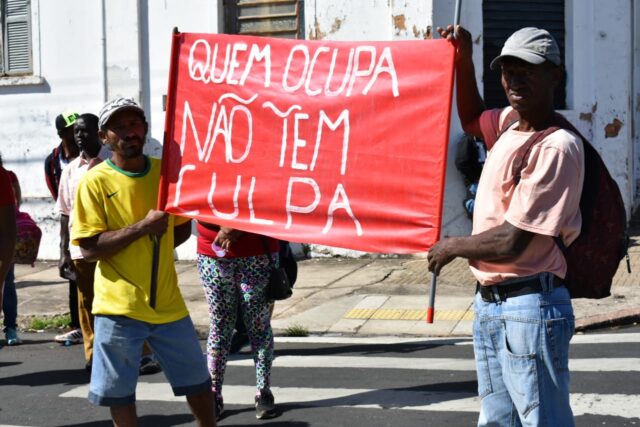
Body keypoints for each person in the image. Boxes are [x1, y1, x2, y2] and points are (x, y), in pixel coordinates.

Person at [429, 26, 582, 426]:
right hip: (491, 304)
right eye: (507, 71)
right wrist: (464, 60)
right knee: (498, 421)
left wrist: (452, 246)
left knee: (542, 420)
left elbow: (514, 239)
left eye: (527, 70)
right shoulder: (512, 124)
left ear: (555, 75)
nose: (514, 80)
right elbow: (470, 118)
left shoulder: (556, 147)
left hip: (530, 306)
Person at [72, 97, 216, 426]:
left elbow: (180, 229)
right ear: (104, 136)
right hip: (118, 308)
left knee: (198, 383)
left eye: (135, 124)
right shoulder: (94, 182)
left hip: (167, 304)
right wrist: (141, 229)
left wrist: (155, 242)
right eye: (119, 127)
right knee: (120, 394)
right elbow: (90, 249)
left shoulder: (165, 176)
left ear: (145, 128)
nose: (130, 132)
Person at [57, 113, 161, 374]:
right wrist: (63, 252)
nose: (80, 136)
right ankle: (94, 355)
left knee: (131, 300)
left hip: (118, 245)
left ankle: (143, 354)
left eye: (85, 130)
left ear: (100, 134)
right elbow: (65, 213)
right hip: (82, 248)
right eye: (76, 131)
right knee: (88, 304)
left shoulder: (116, 163)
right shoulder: (71, 170)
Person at [196, 222, 279, 420]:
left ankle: (263, 391)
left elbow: (265, 205)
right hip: (212, 253)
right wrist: (226, 229)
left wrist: (232, 228)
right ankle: (213, 393)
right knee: (220, 325)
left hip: (257, 251)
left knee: (258, 324)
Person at [45, 111, 83, 345]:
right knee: (73, 276)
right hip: (71, 223)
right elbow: (56, 192)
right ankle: (77, 325)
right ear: (62, 134)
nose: (77, 134)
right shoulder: (53, 161)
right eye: (72, 130)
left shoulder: (90, 156)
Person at [0, 155, 18, 346]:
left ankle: (11, 326)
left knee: (8, 284)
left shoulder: (5, 176)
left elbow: (9, 231)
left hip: (2, 249)